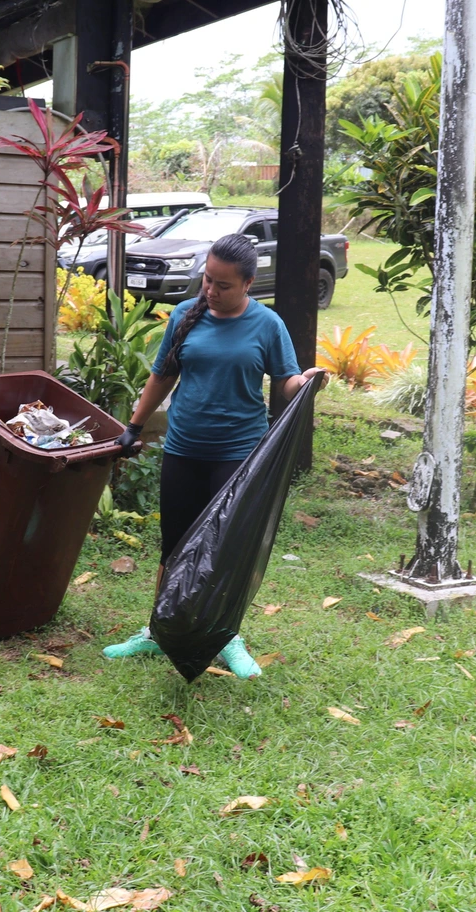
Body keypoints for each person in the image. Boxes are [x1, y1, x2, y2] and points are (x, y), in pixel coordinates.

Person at [103, 234, 326, 678]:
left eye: (222, 284)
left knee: (224, 552)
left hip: (239, 456)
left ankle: (227, 637)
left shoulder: (267, 324)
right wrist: (133, 426)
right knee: (175, 545)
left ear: (247, 283)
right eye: (207, 279)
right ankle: (156, 630)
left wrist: (306, 383)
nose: (211, 290)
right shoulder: (186, 315)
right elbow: (162, 376)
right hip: (185, 448)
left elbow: (285, 383)